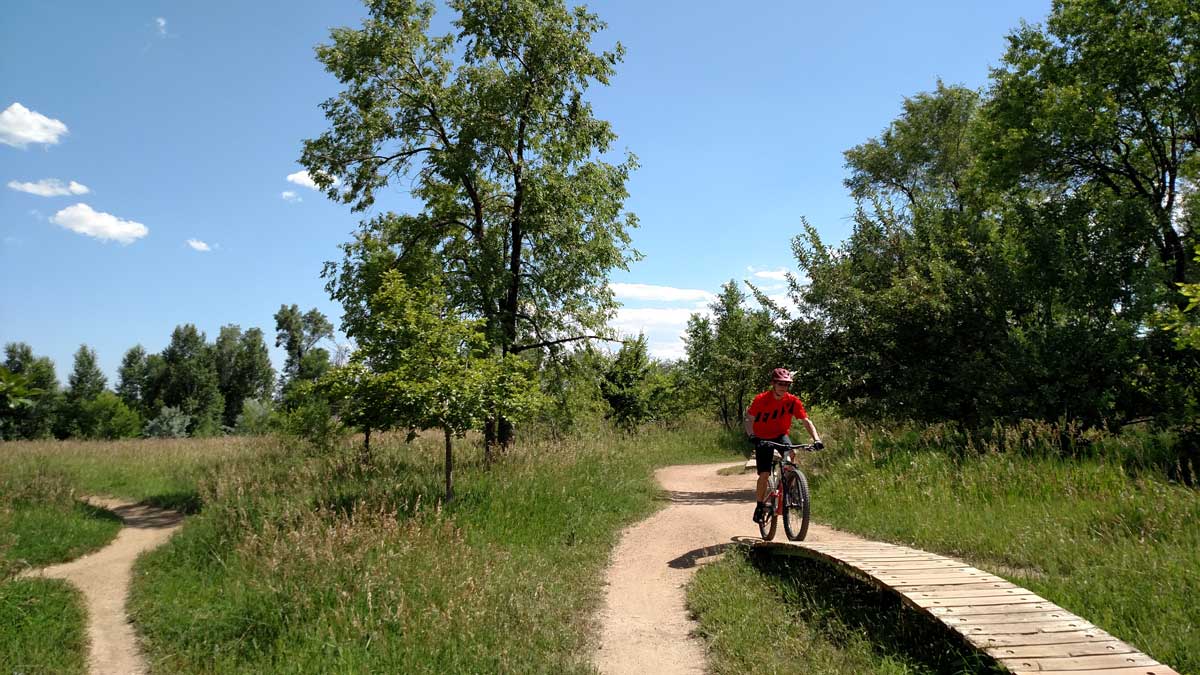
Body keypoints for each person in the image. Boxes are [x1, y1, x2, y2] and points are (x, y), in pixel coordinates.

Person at [744, 368, 823, 524]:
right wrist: (752, 436)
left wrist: (817, 439)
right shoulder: (761, 399)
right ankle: (760, 505)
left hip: (780, 434)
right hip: (762, 437)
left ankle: (789, 486)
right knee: (764, 474)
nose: (783, 387)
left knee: (792, 453)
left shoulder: (792, 401)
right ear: (773, 384)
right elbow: (749, 419)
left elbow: (806, 421)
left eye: (786, 384)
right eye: (780, 383)